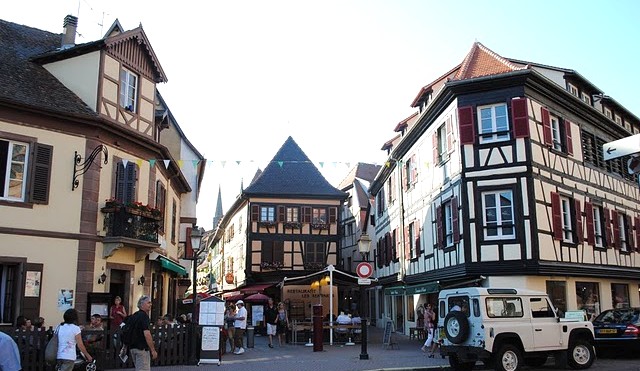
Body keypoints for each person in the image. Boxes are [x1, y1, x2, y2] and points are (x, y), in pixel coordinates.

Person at [127, 295, 158, 370]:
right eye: (148, 303)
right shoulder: (144, 317)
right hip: (142, 348)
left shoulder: (134, 316)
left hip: (133, 348)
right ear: (142, 304)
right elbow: (147, 334)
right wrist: (153, 350)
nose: (150, 305)